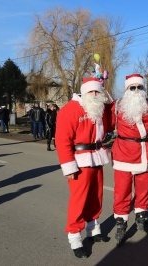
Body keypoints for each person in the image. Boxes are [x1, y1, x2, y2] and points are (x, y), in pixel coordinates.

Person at [110, 74, 148, 244]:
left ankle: (141, 218)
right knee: (122, 191)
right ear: (127, 89)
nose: (136, 90)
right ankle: (121, 223)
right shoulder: (117, 106)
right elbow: (104, 122)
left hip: (145, 152)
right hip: (123, 152)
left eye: (140, 87)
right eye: (132, 87)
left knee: (144, 190)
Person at [55, 77, 112, 259]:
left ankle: (93, 228)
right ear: (84, 92)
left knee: (96, 196)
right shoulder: (70, 110)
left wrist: (105, 88)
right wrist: (69, 166)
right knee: (79, 199)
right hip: (79, 161)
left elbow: (112, 116)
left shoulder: (98, 108)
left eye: (97, 91)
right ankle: (74, 235)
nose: (95, 95)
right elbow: (62, 140)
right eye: (91, 91)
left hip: (96, 157)